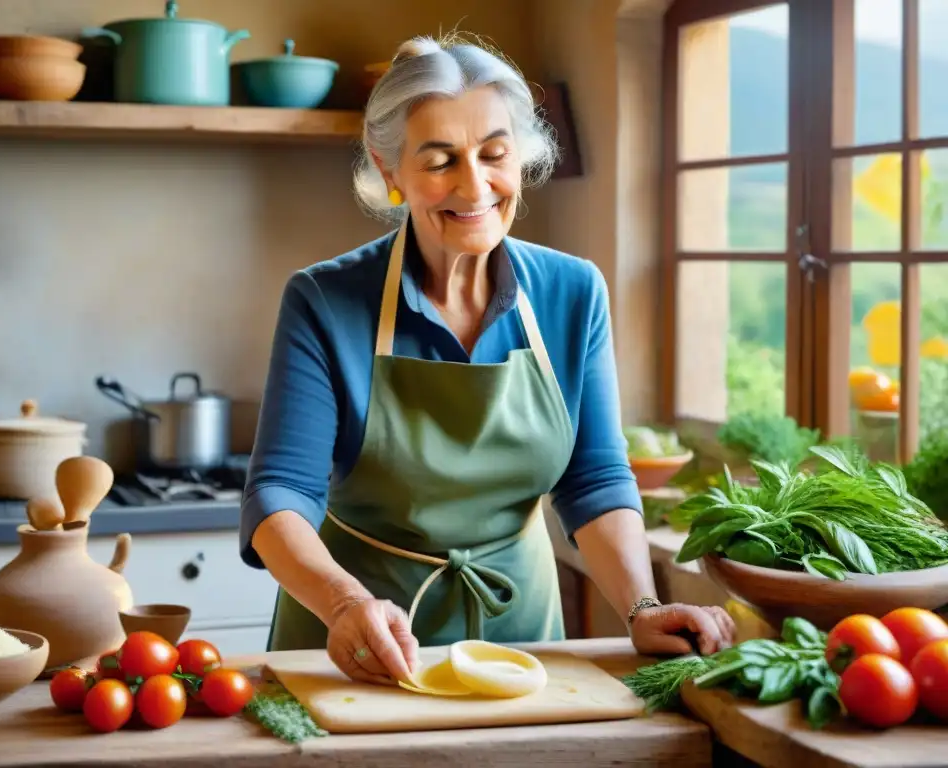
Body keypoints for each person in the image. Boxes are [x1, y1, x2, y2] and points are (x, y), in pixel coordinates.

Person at [239, 33, 735, 686]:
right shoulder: (325, 301)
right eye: (440, 160)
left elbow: (593, 481)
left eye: (494, 154)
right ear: (390, 171)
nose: (474, 187)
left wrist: (641, 607)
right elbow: (279, 492)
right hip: (358, 644)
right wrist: (345, 603)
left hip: (521, 640)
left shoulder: (573, 292)